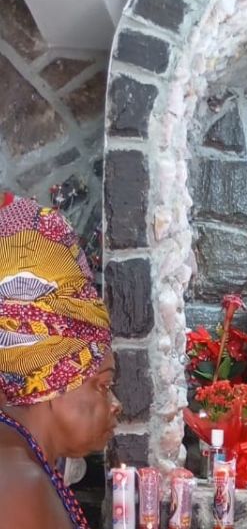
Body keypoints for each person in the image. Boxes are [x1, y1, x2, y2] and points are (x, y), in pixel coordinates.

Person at [0, 193, 120, 529]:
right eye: (103, 386)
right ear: (52, 381)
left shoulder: (21, 461)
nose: (115, 404)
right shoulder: (21, 486)